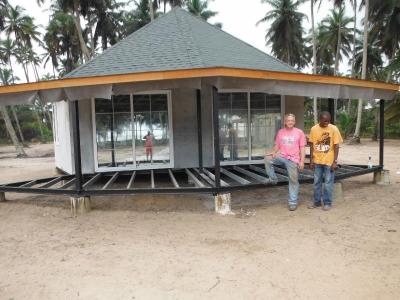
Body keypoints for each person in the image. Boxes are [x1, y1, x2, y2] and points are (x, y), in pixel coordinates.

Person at [265, 114, 306, 211]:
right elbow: (277, 145)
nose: (290, 122)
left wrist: (302, 161)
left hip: (293, 159)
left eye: (292, 120)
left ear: (294, 122)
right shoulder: (281, 132)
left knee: (293, 180)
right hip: (282, 156)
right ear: (285, 122)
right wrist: (274, 152)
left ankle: (292, 202)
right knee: (267, 158)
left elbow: (302, 148)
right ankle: (273, 178)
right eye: (288, 120)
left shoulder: (299, 132)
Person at [308, 111, 343, 211]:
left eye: (328, 121)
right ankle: (317, 202)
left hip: (329, 162)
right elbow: (311, 145)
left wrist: (335, 161)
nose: (327, 123)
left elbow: (336, 146)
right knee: (316, 183)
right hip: (317, 161)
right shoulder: (314, 129)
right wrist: (311, 160)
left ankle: (327, 202)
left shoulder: (334, 129)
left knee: (328, 183)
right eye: (325, 121)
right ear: (320, 119)